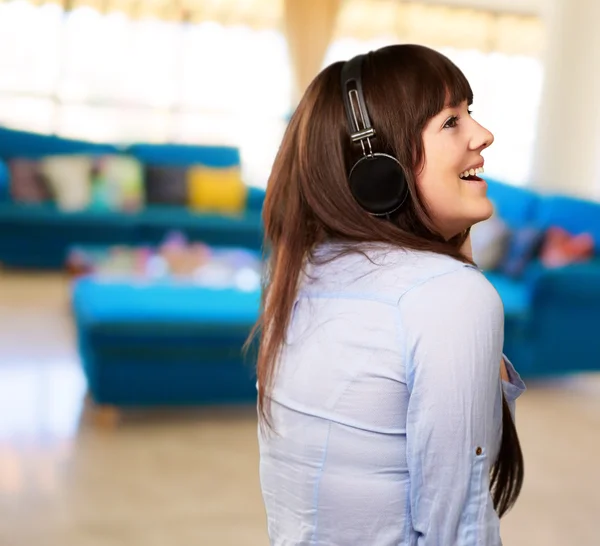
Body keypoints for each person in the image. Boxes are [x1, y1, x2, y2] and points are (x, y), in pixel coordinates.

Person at [250, 44, 526, 545]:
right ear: (378, 169)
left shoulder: (306, 272)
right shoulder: (447, 297)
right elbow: (458, 532)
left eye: (471, 113)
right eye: (450, 122)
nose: (483, 135)